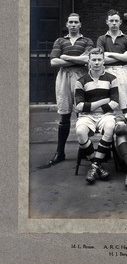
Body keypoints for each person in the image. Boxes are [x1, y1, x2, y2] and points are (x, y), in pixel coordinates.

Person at [43, 13, 94, 167]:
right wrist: (77, 59)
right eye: (70, 22)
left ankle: (85, 150)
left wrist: (65, 57)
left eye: (75, 22)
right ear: (67, 24)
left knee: (82, 114)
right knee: (64, 115)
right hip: (64, 77)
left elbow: (88, 60)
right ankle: (60, 152)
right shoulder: (60, 41)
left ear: (80, 25)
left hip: (81, 77)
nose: (73, 25)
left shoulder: (87, 41)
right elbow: (53, 61)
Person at [74, 48, 119, 184]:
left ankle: (94, 167)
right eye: (94, 60)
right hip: (87, 117)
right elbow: (79, 106)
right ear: (88, 62)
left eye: (99, 59)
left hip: (106, 115)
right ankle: (97, 164)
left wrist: (92, 105)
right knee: (80, 131)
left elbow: (115, 103)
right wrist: (102, 102)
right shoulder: (81, 81)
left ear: (104, 61)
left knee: (111, 127)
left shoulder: (112, 79)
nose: (97, 62)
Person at [96, 9, 127, 113]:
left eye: (116, 21)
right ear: (107, 22)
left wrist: (110, 54)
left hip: (124, 72)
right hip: (107, 72)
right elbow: (100, 59)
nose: (114, 23)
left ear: (120, 22)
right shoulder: (102, 39)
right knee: (108, 103)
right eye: (111, 20)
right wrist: (123, 56)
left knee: (126, 103)